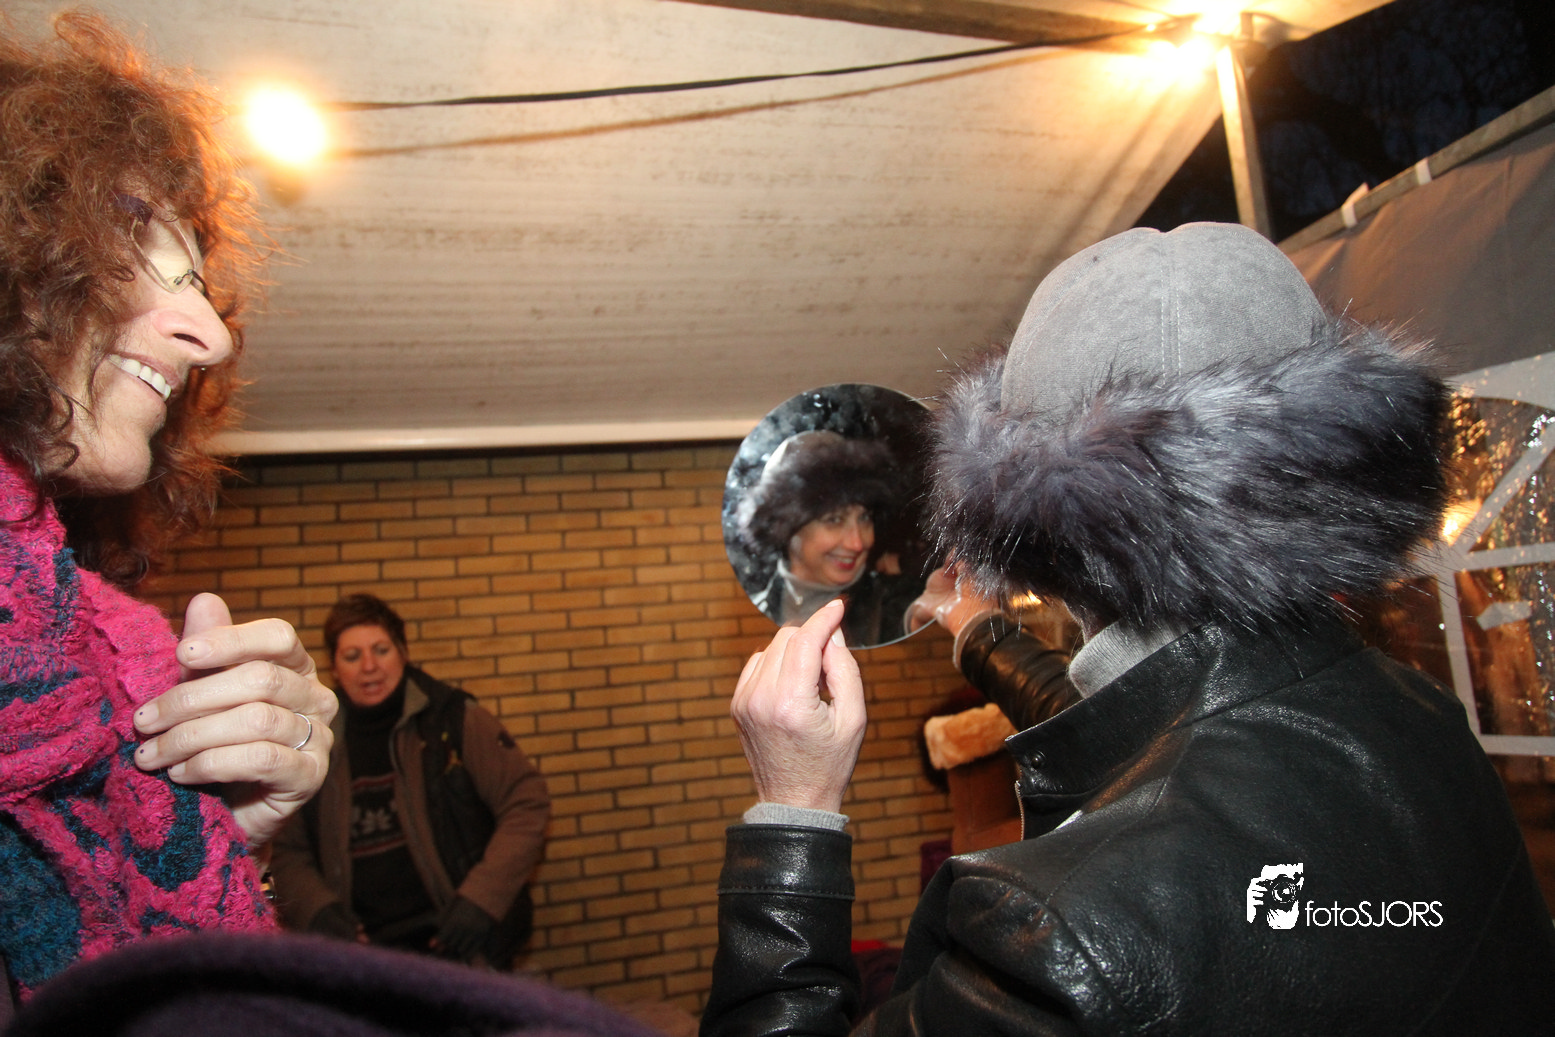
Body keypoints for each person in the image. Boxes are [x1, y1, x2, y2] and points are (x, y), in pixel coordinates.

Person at [701, 223, 1555, 1036]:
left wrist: (793, 811)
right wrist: (974, 630)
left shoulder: (1062, 934)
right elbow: (1160, 724)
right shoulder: (1423, 722)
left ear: (1037, 529)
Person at [0, 14, 336, 1008]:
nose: (211, 338)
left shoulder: (98, 657)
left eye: (195, 279)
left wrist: (221, 832)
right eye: (139, 255)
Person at [270, 594, 551, 969]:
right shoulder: (317, 742)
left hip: (459, 949)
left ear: (403, 652)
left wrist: (482, 900)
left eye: (381, 650)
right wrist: (317, 911)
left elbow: (526, 803)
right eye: (352, 656)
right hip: (364, 964)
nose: (369, 666)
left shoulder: (452, 719)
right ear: (335, 668)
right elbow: (287, 849)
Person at [735, 430, 921, 646]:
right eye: (834, 520)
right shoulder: (758, 610)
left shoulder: (896, 606)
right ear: (785, 528)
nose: (857, 543)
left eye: (864, 518)